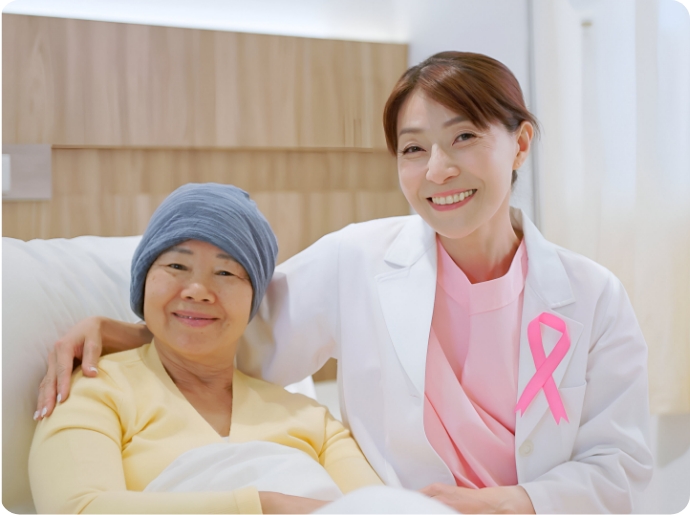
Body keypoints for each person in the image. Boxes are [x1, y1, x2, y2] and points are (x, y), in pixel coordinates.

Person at [35, 52, 653, 514]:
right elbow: (233, 335)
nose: (438, 170)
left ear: (519, 144)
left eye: (464, 136)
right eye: (413, 150)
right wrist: (125, 331)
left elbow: (622, 466)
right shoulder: (356, 257)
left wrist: (513, 502)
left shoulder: (593, 296)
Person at [29, 183, 384, 514]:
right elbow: (79, 508)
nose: (197, 290)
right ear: (144, 280)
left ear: (253, 301)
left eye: (226, 273)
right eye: (176, 266)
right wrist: (264, 506)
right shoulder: (93, 390)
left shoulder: (314, 422)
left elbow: (383, 512)